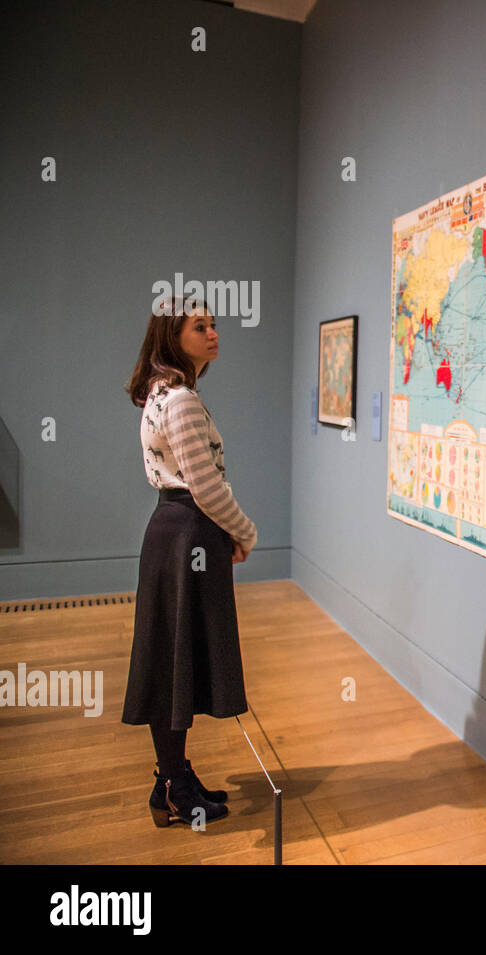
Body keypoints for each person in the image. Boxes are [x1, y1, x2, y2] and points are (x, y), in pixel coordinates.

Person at [122, 296, 258, 828]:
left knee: (174, 659)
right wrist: (244, 531)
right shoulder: (178, 399)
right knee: (176, 659)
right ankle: (175, 784)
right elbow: (205, 485)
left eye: (215, 324)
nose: (213, 332)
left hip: (177, 534)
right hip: (188, 534)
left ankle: (173, 778)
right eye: (200, 326)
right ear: (172, 336)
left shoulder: (166, 392)